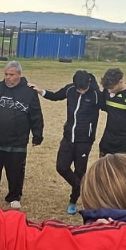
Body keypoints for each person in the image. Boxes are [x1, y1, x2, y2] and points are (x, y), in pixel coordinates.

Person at [0, 61, 43, 210]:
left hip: (17, 141)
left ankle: (14, 196)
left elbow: (36, 115)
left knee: (15, 171)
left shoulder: (29, 92)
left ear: (19, 75)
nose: (7, 77)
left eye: (11, 75)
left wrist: (37, 135)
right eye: (6, 74)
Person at [38, 69, 101, 215]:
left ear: (89, 84)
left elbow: (111, 108)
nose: (81, 91)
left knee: (80, 171)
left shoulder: (96, 95)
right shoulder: (70, 90)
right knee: (61, 167)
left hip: (85, 140)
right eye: (79, 89)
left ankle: (73, 200)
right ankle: (83, 188)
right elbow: (55, 96)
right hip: (68, 138)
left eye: (84, 89)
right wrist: (39, 91)